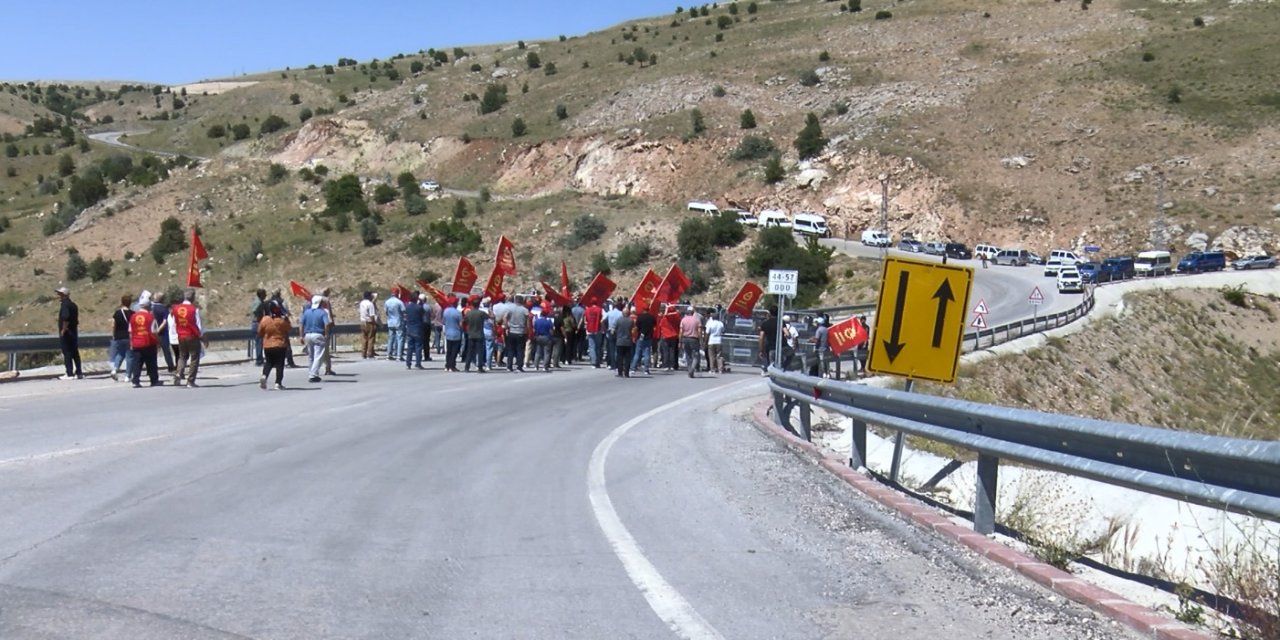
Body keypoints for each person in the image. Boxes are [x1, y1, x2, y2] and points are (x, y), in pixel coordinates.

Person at [172, 288, 205, 388]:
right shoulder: (194, 309)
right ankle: (190, 381)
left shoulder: (176, 308)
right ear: (193, 297)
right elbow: (198, 325)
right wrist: (202, 337)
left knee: (182, 356)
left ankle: (178, 373)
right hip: (192, 336)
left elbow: (175, 323)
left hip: (181, 335)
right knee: (194, 358)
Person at [258, 299, 292, 390]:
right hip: (280, 344)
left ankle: (264, 375)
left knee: (268, 362)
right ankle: (278, 383)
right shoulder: (281, 320)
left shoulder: (265, 320)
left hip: (268, 345)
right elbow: (288, 329)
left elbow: (260, 332)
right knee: (279, 364)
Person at [127, 298, 161, 387]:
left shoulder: (133, 316)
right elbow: (154, 331)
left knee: (137, 363)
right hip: (148, 342)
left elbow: (130, 331)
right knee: (151, 363)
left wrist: (131, 343)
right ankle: (154, 380)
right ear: (148, 306)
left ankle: (136, 381)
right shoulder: (150, 317)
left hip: (136, 343)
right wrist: (158, 341)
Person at [300, 295, 331, 383]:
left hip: (308, 335)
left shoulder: (306, 312)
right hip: (318, 335)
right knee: (319, 355)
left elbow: (301, 324)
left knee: (311, 356)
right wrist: (326, 334)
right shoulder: (322, 313)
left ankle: (311, 372)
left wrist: (301, 336)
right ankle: (313, 374)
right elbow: (327, 324)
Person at [55, 287, 83, 380]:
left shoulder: (65, 305)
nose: (58, 296)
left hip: (67, 332)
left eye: (60, 294)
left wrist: (63, 329)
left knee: (67, 352)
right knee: (75, 352)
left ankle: (69, 373)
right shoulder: (73, 305)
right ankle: (79, 372)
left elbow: (66, 318)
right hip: (74, 331)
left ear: (64, 295)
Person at [503, 294, 530, 373]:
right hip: (521, 331)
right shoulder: (525, 310)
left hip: (511, 331)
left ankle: (509, 366)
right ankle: (519, 366)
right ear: (522, 301)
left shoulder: (510, 309)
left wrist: (506, 326)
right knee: (520, 350)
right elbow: (528, 322)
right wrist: (527, 330)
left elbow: (505, 317)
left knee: (510, 349)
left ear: (515, 301)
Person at [108, 294, 132, 381]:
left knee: (120, 353)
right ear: (130, 303)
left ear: (122, 302)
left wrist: (113, 335)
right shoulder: (133, 314)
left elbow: (113, 325)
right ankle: (128, 375)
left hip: (118, 336)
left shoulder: (117, 313)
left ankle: (115, 369)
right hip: (128, 336)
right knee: (129, 355)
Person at [151, 291, 174, 372]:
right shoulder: (164, 309)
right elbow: (165, 322)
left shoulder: (151, 308)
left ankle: (152, 367)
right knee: (166, 351)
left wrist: (154, 331)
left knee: (153, 351)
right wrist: (158, 330)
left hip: (152, 333)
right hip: (163, 333)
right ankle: (170, 367)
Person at [403, 294, 427, 370]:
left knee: (410, 347)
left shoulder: (407, 307)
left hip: (410, 329)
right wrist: (421, 303)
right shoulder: (419, 308)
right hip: (418, 329)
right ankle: (418, 363)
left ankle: (408, 363)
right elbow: (423, 314)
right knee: (418, 347)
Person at [678, 306, 703, 378]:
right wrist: (701, 340)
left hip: (685, 338)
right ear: (693, 312)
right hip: (694, 339)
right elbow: (699, 331)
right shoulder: (697, 320)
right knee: (696, 355)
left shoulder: (683, 320)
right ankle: (692, 369)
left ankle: (690, 369)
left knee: (688, 355)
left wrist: (680, 341)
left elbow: (681, 331)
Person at [631, 303, 656, 376]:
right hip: (648, 337)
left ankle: (633, 368)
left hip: (640, 336)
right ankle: (646, 369)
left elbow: (636, 327)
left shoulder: (640, 317)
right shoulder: (652, 317)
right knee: (647, 354)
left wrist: (634, 336)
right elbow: (654, 325)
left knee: (637, 353)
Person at [463, 300, 487, 373]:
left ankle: (467, 367)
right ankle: (480, 367)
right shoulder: (481, 313)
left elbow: (464, 322)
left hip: (471, 334)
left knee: (469, 351)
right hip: (479, 334)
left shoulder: (469, 313)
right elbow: (490, 317)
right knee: (480, 352)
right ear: (479, 305)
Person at [613, 306, 635, 378]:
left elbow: (615, 329)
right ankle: (626, 373)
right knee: (627, 358)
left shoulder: (618, 320)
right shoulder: (631, 321)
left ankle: (620, 372)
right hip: (628, 341)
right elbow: (633, 329)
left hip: (619, 340)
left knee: (620, 357)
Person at [532, 304, 555, 371]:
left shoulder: (537, 321)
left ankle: (536, 366)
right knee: (547, 353)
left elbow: (534, 329)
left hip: (538, 336)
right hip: (546, 337)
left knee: (538, 352)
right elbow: (551, 331)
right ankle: (545, 367)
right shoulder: (548, 322)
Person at [384, 288, 405, 362]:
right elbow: (403, 311)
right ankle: (399, 355)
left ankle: (389, 355)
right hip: (398, 321)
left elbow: (386, 312)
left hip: (390, 322)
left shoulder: (387, 302)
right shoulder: (399, 302)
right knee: (400, 338)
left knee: (390, 339)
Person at [442, 298, 463, 372]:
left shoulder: (445, 311)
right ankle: (452, 366)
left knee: (449, 350)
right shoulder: (458, 313)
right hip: (456, 334)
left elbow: (443, 322)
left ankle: (447, 365)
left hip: (448, 333)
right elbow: (461, 324)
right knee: (454, 351)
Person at [758, 305, 779, 375]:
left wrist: (761, 349)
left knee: (771, 365)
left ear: (769, 313)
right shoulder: (781, 323)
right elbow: (787, 334)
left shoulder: (765, 324)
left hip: (769, 347)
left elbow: (761, 337)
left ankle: (767, 371)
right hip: (780, 347)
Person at [358, 291, 379, 359]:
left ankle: (363, 353)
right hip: (369, 322)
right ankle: (370, 353)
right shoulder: (370, 304)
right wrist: (374, 323)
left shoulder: (361, 303)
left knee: (364, 338)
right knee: (371, 338)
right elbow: (372, 315)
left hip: (362, 321)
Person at [584, 299, 604, 368]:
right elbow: (603, 318)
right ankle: (598, 362)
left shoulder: (587, 310)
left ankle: (593, 362)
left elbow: (586, 320)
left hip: (590, 329)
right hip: (598, 329)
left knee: (592, 346)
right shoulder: (600, 309)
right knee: (598, 346)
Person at [250, 288, 267, 366]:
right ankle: (259, 360)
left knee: (259, 342)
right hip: (257, 323)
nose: (266, 295)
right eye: (264, 294)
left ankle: (260, 359)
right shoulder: (259, 303)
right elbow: (255, 310)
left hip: (255, 323)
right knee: (259, 342)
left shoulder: (256, 301)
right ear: (261, 294)